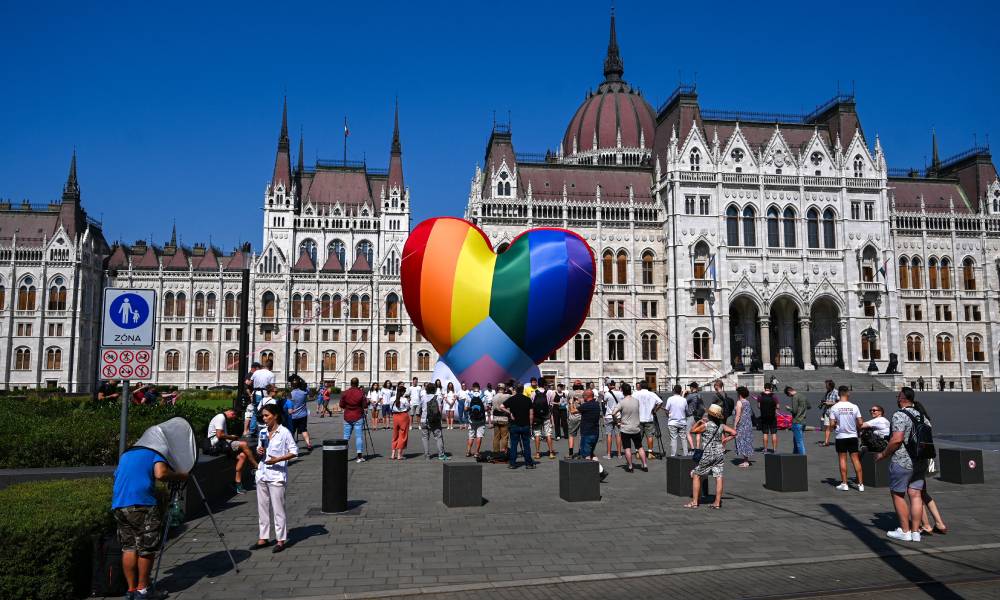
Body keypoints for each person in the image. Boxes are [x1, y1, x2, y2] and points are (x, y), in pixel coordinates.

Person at [874, 387, 928, 541]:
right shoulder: (922, 415)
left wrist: (884, 454)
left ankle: (905, 531)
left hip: (903, 460)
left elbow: (897, 439)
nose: (897, 398)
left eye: (898, 396)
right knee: (916, 495)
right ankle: (916, 532)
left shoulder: (900, 415)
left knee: (898, 494)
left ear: (903, 398)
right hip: (920, 460)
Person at [251, 404, 298, 553]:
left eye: (267, 416)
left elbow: (294, 451)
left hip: (277, 474)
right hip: (263, 472)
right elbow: (261, 450)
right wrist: (259, 450)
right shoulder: (263, 432)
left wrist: (278, 459)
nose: (264, 419)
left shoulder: (284, 432)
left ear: (275, 416)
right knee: (262, 507)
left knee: (278, 509)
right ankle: (263, 537)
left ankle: (280, 539)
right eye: (263, 416)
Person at [684, 404, 735, 509]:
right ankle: (717, 502)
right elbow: (734, 432)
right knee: (719, 476)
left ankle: (694, 502)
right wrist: (725, 440)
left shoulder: (706, 425)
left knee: (696, 475)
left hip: (708, 453)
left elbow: (692, 431)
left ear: (710, 415)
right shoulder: (722, 426)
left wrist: (699, 422)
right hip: (719, 453)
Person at [207, 408, 258, 494]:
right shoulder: (221, 418)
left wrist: (231, 437)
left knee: (242, 456)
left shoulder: (222, 417)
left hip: (222, 443)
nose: (232, 419)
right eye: (233, 417)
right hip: (217, 443)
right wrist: (232, 437)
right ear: (231, 413)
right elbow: (219, 435)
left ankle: (237, 484)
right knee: (244, 444)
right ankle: (256, 465)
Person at [831, 386, 865, 491]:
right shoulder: (854, 406)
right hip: (852, 436)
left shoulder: (834, 407)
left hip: (841, 436)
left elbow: (832, 424)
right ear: (848, 393)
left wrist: (836, 425)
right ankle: (860, 485)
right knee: (855, 459)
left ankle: (844, 484)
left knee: (842, 459)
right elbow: (860, 422)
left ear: (839, 394)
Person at [611, 383, 647, 472]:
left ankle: (630, 466)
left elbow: (613, 413)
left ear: (622, 391)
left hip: (625, 428)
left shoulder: (622, 402)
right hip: (636, 427)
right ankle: (644, 465)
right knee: (640, 447)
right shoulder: (636, 401)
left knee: (627, 448)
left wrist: (617, 421)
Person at [502, 382, 535, 469]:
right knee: (526, 445)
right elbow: (531, 414)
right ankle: (528, 463)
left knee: (513, 445)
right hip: (525, 425)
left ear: (515, 390)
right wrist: (530, 425)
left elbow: (501, 406)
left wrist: (510, 413)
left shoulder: (512, 399)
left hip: (514, 425)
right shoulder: (528, 399)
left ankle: (512, 463)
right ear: (523, 389)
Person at [577, 388, 607, 480]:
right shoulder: (596, 404)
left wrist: (571, 403)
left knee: (586, 455)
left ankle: (593, 474)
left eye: (583, 396)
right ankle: (600, 471)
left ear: (586, 396)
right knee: (591, 453)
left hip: (587, 433)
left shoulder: (586, 405)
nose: (582, 397)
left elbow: (573, 411)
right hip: (595, 433)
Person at [340, 378, 368, 463]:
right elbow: (365, 405)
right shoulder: (361, 393)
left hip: (347, 416)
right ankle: (359, 456)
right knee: (358, 436)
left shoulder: (345, 393)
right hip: (358, 416)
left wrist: (347, 407)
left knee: (346, 437)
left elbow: (341, 405)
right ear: (358, 383)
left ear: (350, 383)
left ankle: (343, 455)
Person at [418, 382, 448, 460]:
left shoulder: (423, 397)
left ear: (426, 389)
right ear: (434, 389)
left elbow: (420, 409)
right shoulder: (437, 397)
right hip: (435, 420)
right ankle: (441, 455)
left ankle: (427, 455)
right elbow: (440, 409)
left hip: (424, 420)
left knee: (425, 437)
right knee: (438, 437)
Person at [634, 381, 663, 458]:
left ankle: (637, 452)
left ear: (640, 386)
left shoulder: (636, 394)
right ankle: (650, 452)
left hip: (638, 418)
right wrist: (655, 410)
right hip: (649, 418)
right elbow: (660, 402)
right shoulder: (652, 394)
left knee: (638, 436)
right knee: (649, 436)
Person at [783, 386, 810, 455]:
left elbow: (794, 411)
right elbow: (809, 406)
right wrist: (802, 409)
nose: (789, 396)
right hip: (803, 421)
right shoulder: (802, 396)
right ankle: (795, 455)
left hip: (797, 421)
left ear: (789, 392)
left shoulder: (795, 397)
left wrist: (789, 409)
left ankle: (802, 458)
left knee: (799, 442)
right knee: (796, 440)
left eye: (787, 395)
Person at [531, 384, 556, 459]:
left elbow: (532, 403)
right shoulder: (549, 392)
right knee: (548, 434)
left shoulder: (534, 392)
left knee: (537, 434)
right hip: (546, 416)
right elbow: (551, 403)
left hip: (537, 417)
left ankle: (538, 453)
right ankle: (551, 453)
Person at [733, 386, 754, 468]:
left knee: (742, 441)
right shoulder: (747, 402)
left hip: (742, 424)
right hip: (748, 424)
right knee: (746, 440)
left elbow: (738, 415)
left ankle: (746, 462)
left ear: (740, 394)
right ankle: (746, 460)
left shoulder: (739, 402)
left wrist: (734, 425)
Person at [665, 385, 689, 456]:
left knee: (673, 439)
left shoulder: (670, 399)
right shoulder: (684, 400)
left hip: (672, 422)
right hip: (682, 421)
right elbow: (686, 410)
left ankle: (673, 455)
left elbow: (667, 410)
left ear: (674, 390)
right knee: (684, 438)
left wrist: (668, 416)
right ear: (680, 391)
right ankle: (685, 454)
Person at [465, 382, 488, 457]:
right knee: (479, 436)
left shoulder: (469, 396)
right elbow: (486, 408)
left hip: (471, 419)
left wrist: (470, 408)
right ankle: (476, 453)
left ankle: (468, 452)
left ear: (472, 387)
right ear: (479, 388)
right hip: (481, 419)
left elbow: (465, 408)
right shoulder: (483, 396)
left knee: (471, 436)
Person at [602, 381, 623, 459]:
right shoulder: (620, 393)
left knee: (609, 435)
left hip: (609, 415)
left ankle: (608, 454)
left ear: (610, 385)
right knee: (618, 435)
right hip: (618, 416)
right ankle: (619, 454)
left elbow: (604, 401)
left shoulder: (607, 394)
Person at [390, 383, 411, 460]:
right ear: (402, 392)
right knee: (403, 435)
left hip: (395, 416)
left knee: (395, 434)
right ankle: (399, 454)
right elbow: (408, 408)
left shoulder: (392, 399)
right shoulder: (404, 399)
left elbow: (390, 408)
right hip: (403, 416)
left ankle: (393, 454)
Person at [757, 382, 779, 453]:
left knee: (765, 433)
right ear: (771, 388)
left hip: (764, 417)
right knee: (773, 433)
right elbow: (778, 406)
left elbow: (759, 406)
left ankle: (765, 449)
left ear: (764, 388)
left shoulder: (760, 396)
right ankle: (774, 449)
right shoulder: (774, 396)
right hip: (772, 417)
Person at [491, 383, 511, 457]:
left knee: (496, 437)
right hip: (504, 418)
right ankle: (503, 452)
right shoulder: (506, 396)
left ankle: (496, 452)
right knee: (504, 437)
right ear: (504, 388)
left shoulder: (494, 397)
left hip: (496, 418)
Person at [685, 382, 704, 449]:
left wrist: (684, 394)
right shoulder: (700, 395)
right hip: (699, 416)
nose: (690, 388)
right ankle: (698, 447)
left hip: (691, 416)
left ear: (692, 387)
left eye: (690, 387)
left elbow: (683, 402)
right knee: (698, 432)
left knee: (687, 432)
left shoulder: (691, 395)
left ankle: (693, 448)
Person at [566, 381, 583, 458]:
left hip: (573, 416)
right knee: (581, 435)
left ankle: (570, 453)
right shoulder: (584, 393)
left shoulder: (570, 393)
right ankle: (580, 452)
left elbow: (568, 403)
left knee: (571, 435)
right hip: (582, 415)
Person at [820, 379, 838, 446]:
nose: (825, 386)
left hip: (834, 413)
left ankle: (840, 441)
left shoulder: (836, 392)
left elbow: (840, 402)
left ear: (830, 385)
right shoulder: (827, 392)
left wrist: (830, 403)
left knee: (836, 427)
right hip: (827, 412)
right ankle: (826, 442)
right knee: (827, 427)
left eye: (826, 385)